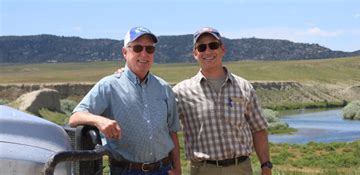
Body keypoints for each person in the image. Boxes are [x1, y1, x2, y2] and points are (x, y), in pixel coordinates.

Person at [69, 26, 181, 175]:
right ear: (125, 52)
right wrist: (99, 121)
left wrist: (178, 169)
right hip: (126, 170)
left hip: (163, 169)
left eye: (149, 49)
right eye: (137, 48)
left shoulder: (164, 88)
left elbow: (172, 132)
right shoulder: (109, 85)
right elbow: (75, 117)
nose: (144, 54)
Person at [172, 27, 273, 175]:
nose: (208, 51)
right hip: (203, 170)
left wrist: (266, 165)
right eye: (201, 47)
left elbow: (258, 129)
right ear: (195, 53)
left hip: (241, 168)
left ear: (222, 49)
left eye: (213, 45)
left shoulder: (244, 87)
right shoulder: (181, 92)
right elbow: (166, 131)